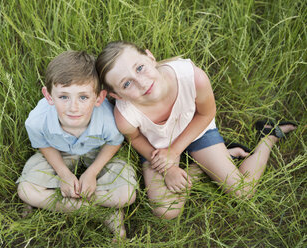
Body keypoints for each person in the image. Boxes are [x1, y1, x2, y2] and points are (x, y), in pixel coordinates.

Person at [95, 41, 297, 220]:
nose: (141, 82)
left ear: (150, 57)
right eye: (127, 83)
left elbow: (206, 114)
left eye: (140, 68)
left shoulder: (191, 77)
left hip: (196, 130)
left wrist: (174, 153)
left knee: (242, 192)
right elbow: (136, 138)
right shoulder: (125, 115)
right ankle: (200, 165)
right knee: (166, 211)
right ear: (117, 95)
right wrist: (168, 167)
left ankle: (267, 137)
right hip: (157, 146)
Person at [17, 51, 137, 239]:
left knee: (127, 194)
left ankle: (56, 202)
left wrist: (92, 173)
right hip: (59, 154)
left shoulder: (108, 119)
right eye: (64, 97)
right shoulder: (36, 121)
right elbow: (44, 146)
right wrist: (64, 174)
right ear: (48, 96)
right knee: (25, 189)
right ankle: (103, 211)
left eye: (83, 97)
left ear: (99, 98)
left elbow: (114, 143)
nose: (73, 107)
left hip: (97, 154)